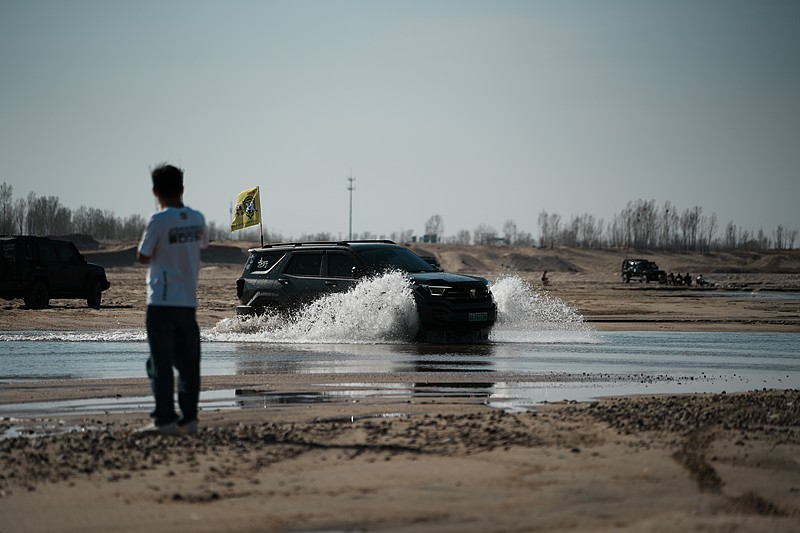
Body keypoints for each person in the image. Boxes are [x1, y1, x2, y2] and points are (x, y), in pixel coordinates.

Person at [136, 163, 208, 435]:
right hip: (187, 302)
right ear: (182, 188)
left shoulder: (158, 220)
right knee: (189, 364)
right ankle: (189, 419)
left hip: (162, 301)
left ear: (155, 192)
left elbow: (143, 255)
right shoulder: (197, 218)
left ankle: (165, 418)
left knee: (160, 362)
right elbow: (201, 245)